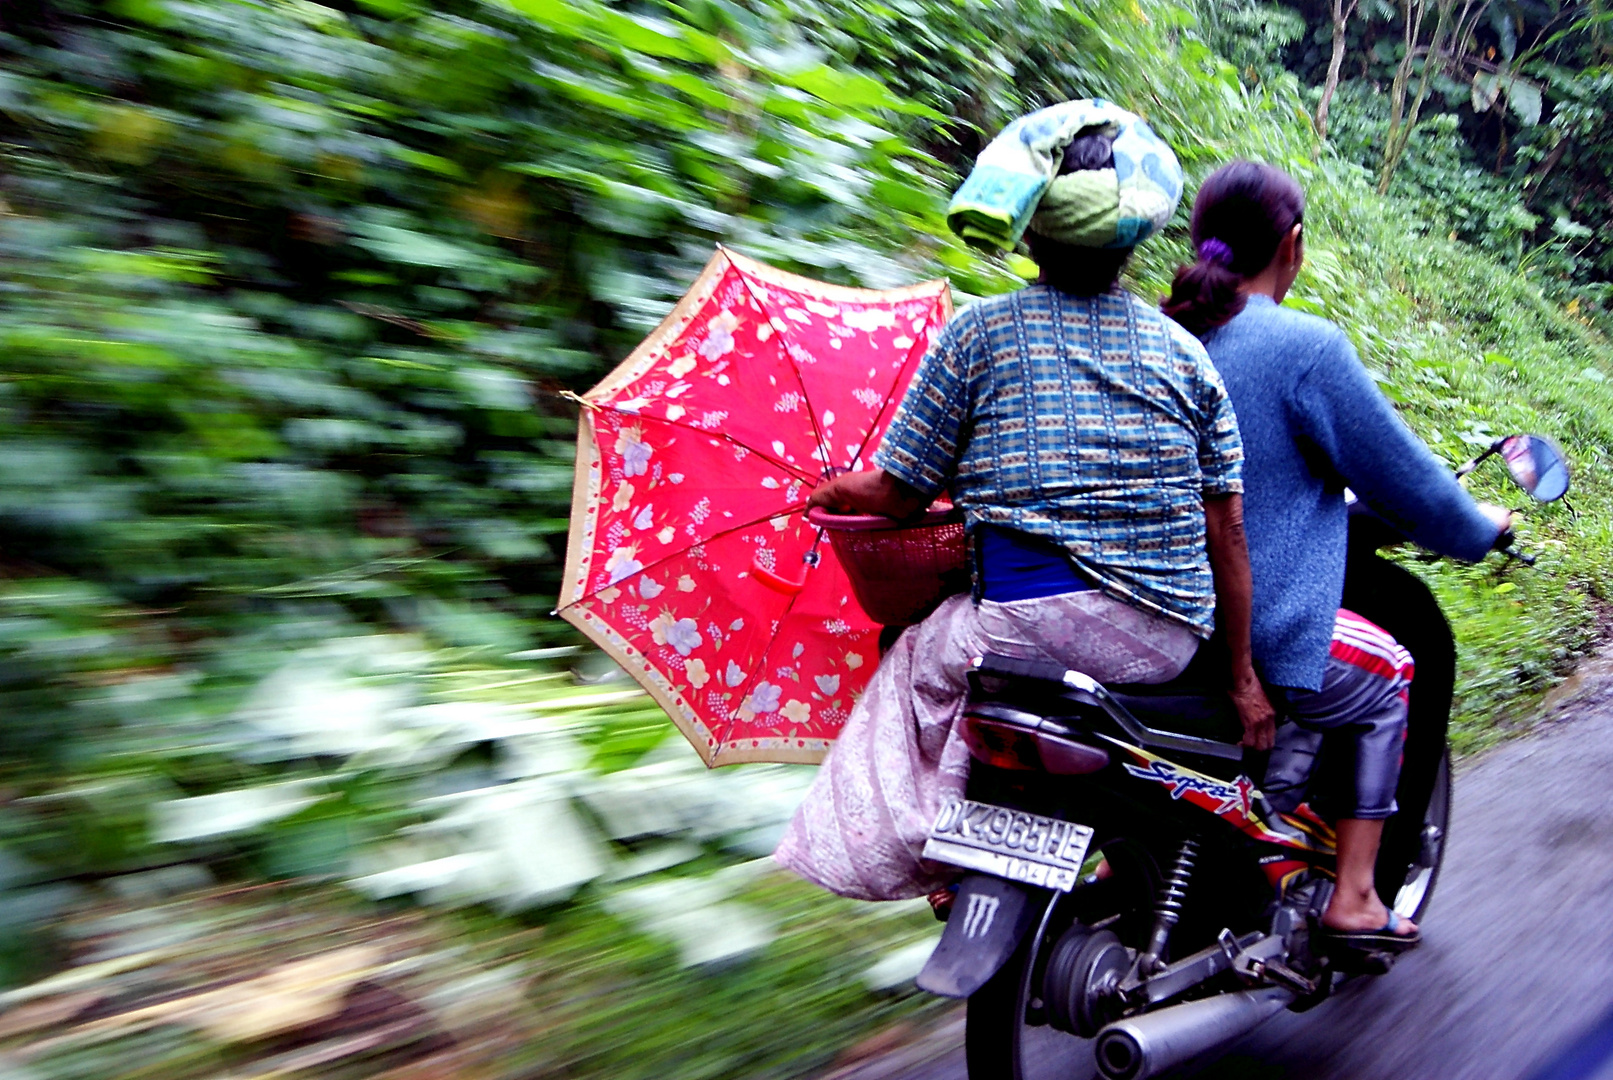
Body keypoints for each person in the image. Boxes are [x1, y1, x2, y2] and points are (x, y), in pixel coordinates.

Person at [773, 101, 1276, 902]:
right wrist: (1242, 678)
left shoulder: (977, 336)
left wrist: (834, 488)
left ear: (1030, 231)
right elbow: (1228, 534)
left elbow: (898, 494)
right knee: (979, 659)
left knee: (923, 661)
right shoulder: (1185, 355)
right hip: (1167, 642)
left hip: (1023, 625)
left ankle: (936, 857)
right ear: (1136, 237)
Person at [1162, 160, 1511, 950]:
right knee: (1395, 664)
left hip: (1151, 610)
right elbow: (1406, 481)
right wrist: (1478, 527)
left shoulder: (1160, 333)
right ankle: (1355, 894)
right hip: (1253, 616)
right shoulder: (1303, 348)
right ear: (1293, 246)